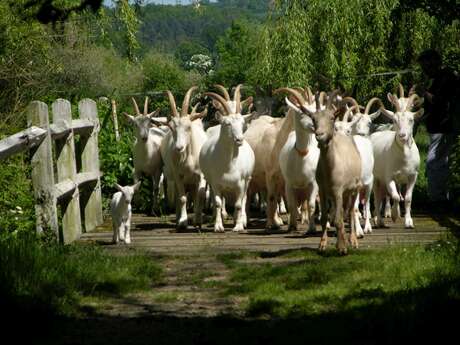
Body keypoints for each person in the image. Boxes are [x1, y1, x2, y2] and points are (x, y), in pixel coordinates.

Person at [416, 49, 459, 208]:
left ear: (431, 63)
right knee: (442, 163)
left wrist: (424, 93)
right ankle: (443, 197)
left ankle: (437, 200)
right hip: (438, 128)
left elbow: (441, 102)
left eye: (424, 66)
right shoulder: (438, 79)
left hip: (443, 128)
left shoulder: (446, 77)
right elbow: (430, 105)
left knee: (434, 163)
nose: (423, 70)